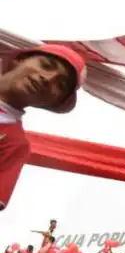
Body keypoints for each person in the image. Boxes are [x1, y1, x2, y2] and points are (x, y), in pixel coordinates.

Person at [0, 44, 85, 212]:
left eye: (60, 85)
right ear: (19, 60)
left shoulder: (14, 144)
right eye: (46, 65)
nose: (47, 78)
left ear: (53, 102)